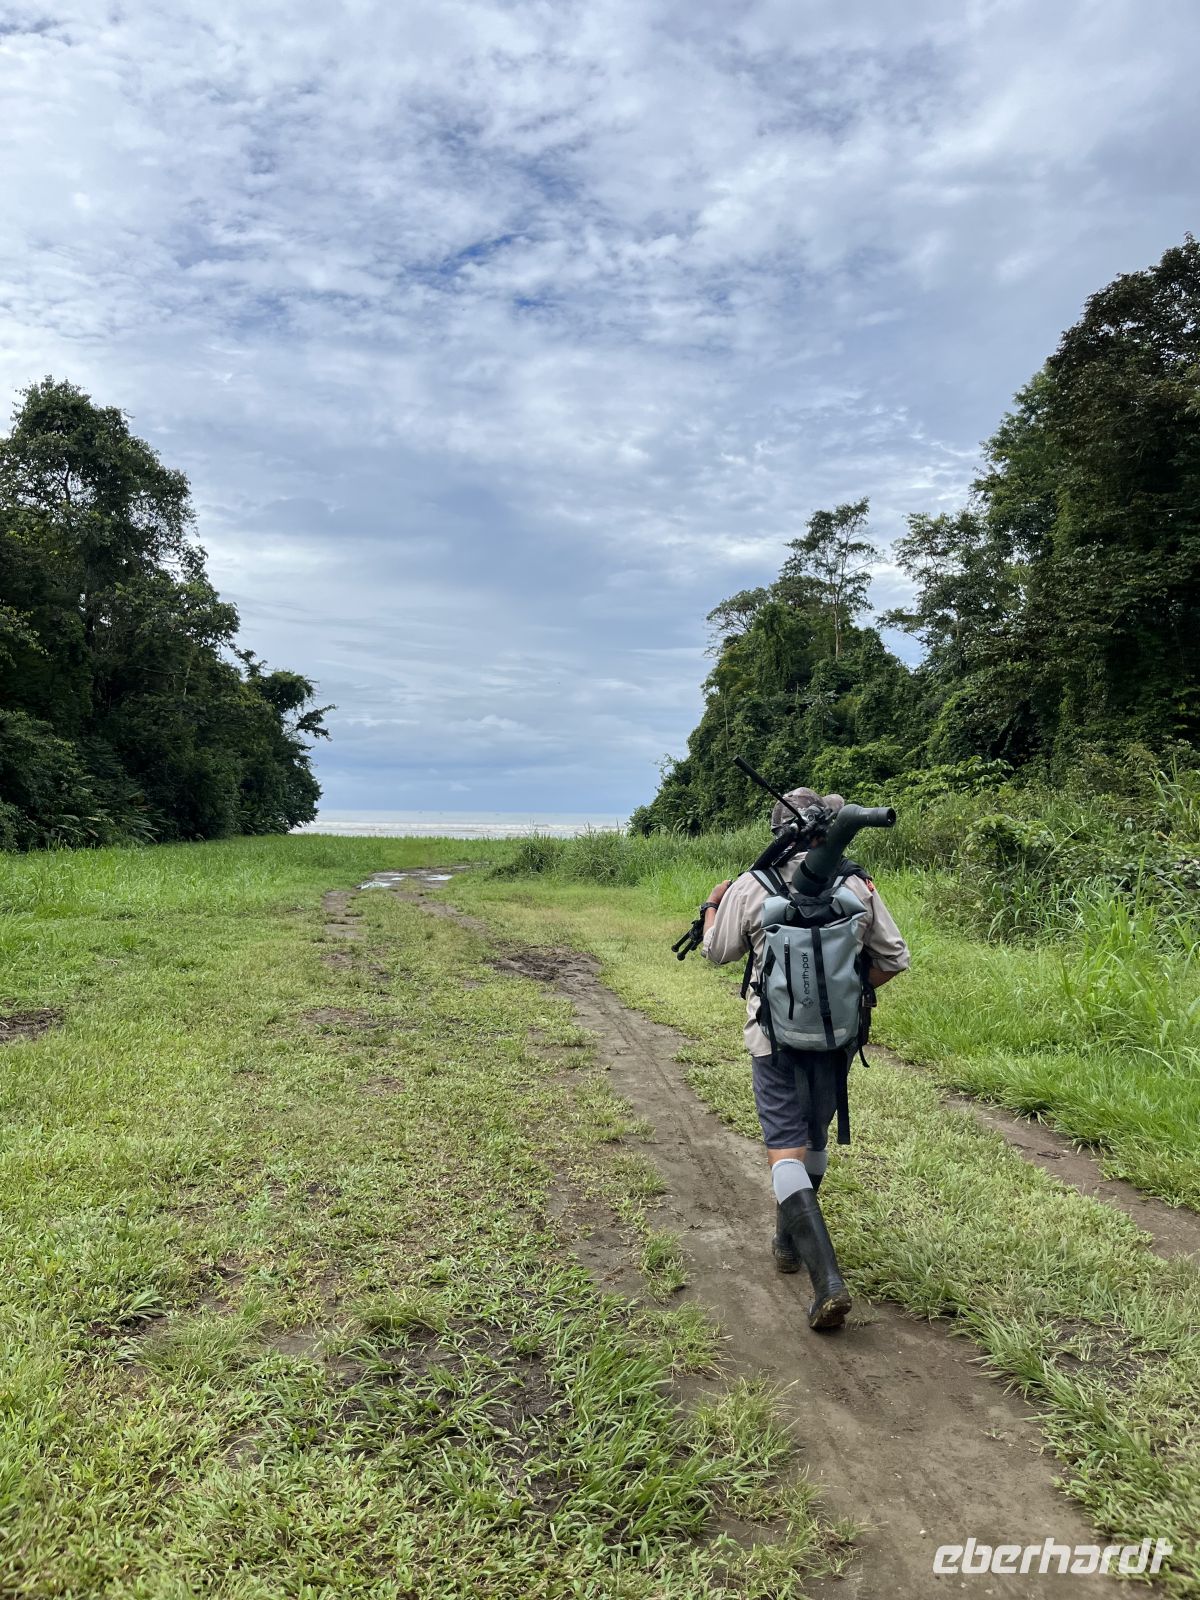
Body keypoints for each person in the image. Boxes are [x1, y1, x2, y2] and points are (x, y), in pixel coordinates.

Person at [701, 787, 910, 1331]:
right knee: (811, 1141)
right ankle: (786, 1241)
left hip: (773, 1041)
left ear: (777, 833)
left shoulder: (752, 885)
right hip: (839, 1039)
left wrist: (711, 906)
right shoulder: (856, 883)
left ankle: (828, 1284)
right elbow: (893, 958)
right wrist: (845, 994)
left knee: (783, 1149)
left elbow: (717, 953)